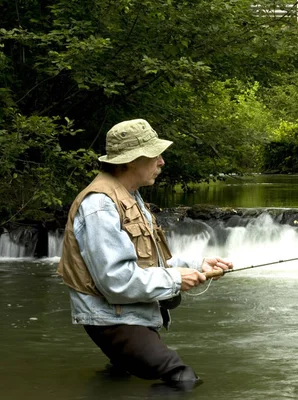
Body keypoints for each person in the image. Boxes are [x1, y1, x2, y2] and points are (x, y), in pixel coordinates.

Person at [57, 118, 233, 389]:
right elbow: (115, 281)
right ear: (130, 161)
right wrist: (175, 279)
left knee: (119, 376)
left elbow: (149, 261)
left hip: (129, 313)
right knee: (182, 379)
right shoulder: (100, 205)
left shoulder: (130, 194)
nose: (161, 161)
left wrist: (197, 265)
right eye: (154, 155)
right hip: (111, 319)